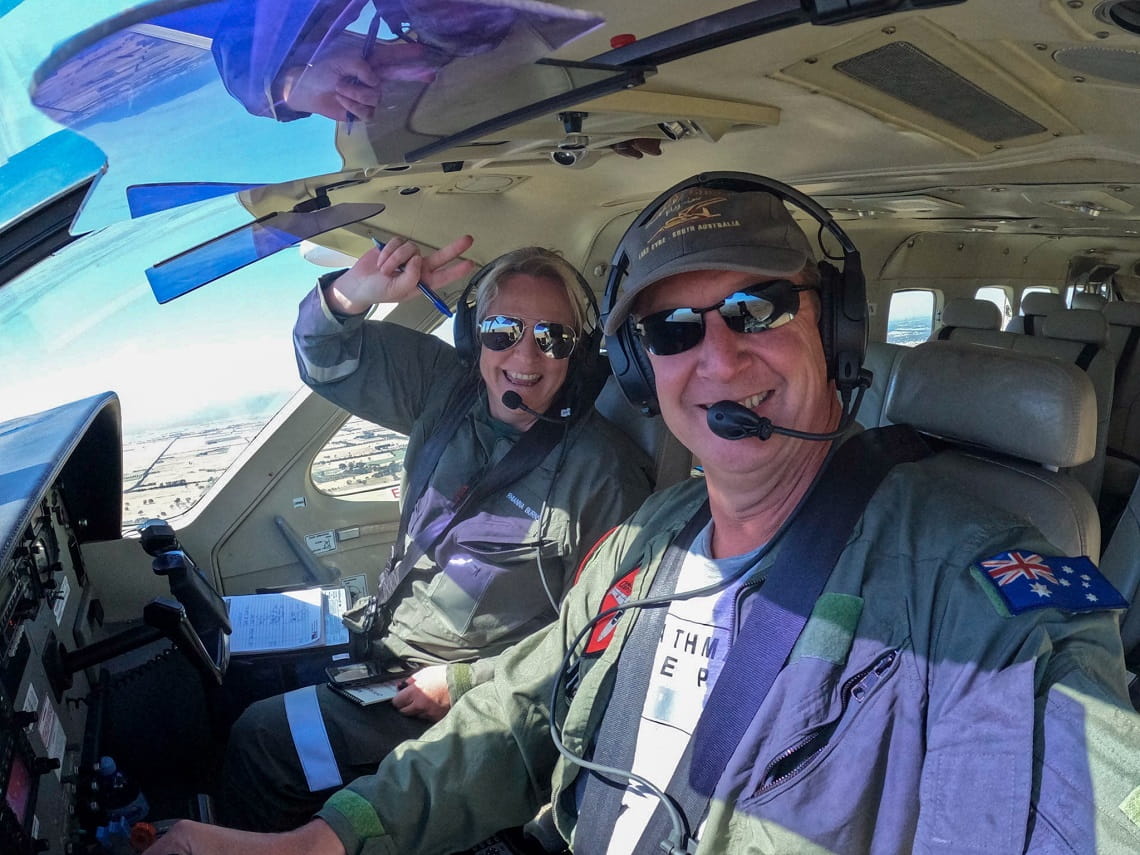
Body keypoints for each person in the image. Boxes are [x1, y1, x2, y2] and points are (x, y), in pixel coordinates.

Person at [147, 175, 1140, 855]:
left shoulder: (978, 585)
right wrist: (326, 840)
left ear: (833, 330)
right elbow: (518, 710)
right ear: (637, 366)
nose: (717, 357)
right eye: (671, 328)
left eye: (757, 308)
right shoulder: (650, 539)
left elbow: (1078, 774)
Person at [217, 235, 654, 832]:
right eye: (503, 330)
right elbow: (326, 357)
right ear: (475, 337)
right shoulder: (446, 390)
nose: (526, 356)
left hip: (471, 699)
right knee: (235, 671)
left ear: (575, 355)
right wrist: (349, 296)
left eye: (552, 338)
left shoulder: (601, 474)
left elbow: (605, 637)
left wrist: (463, 680)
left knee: (262, 738)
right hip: (386, 651)